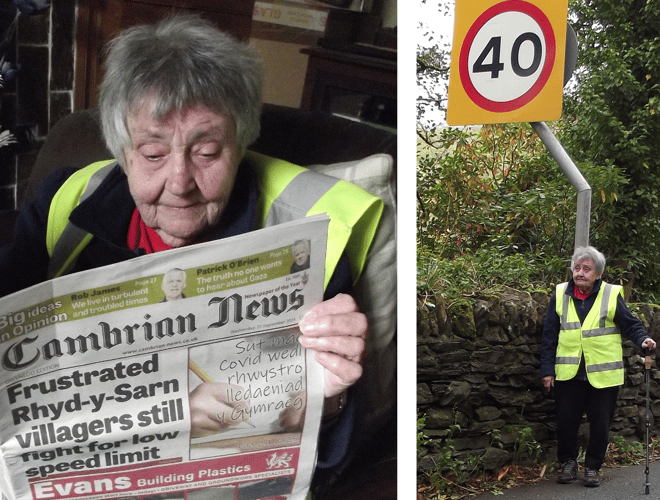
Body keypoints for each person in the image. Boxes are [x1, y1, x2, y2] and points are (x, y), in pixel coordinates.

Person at [0, 15, 381, 491]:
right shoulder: (65, 202)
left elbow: (322, 466)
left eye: (206, 152)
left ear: (240, 145)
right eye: (154, 154)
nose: (179, 184)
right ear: (122, 152)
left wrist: (329, 398)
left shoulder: (307, 240)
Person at [539, 246, 657, 488]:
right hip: (568, 372)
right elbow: (549, 335)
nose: (580, 273)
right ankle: (568, 463)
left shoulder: (611, 295)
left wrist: (643, 339)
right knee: (566, 422)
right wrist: (547, 370)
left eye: (586, 269)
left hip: (603, 374)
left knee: (600, 423)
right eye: (577, 268)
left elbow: (630, 324)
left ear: (598, 274)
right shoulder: (560, 294)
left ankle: (593, 467)